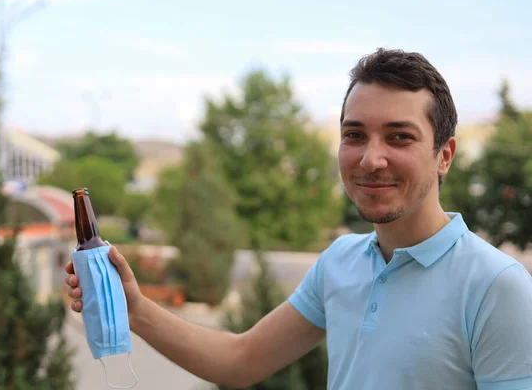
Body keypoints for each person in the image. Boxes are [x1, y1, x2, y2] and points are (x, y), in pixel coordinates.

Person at [65, 48, 532, 389]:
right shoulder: (340, 262)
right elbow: (241, 359)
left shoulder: (496, 286)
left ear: (444, 155)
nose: (371, 159)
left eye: (399, 137)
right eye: (355, 134)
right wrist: (136, 310)